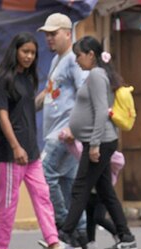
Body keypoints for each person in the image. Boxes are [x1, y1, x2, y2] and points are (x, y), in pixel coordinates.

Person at [0, 33, 80, 249]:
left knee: (43, 195)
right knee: (8, 202)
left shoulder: (28, 80)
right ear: (15, 52)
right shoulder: (4, 79)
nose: (29, 56)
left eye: (32, 52)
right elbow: (3, 116)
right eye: (25, 51)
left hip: (32, 152)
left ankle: (54, 244)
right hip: (11, 153)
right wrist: (16, 146)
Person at [61, 36, 137, 249]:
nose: (76, 60)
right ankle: (126, 236)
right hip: (99, 141)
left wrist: (94, 145)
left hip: (100, 142)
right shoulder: (97, 74)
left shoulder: (96, 74)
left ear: (91, 55)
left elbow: (101, 111)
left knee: (80, 187)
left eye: (79, 55)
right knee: (105, 192)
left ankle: (65, 235)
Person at [37, 13, 87, 234]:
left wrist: (73, 128)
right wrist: (26, 108)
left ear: (68, 34)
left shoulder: (73, 60)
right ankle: (81, 231)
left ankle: (63, 227)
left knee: (44, 174)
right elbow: (48, 92)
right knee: (67, 182)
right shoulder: (57, 59)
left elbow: (85, 95)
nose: (49, 38)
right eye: (47, 34)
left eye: (53, 34)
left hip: (63, 132)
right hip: (56, 132)